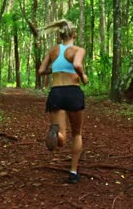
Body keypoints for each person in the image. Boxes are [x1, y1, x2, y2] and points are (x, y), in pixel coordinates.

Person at [38, 19, 88, 184]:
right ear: (74, 35)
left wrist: (56, 69)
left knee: (62, 138)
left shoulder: (53, 50)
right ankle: (73, 172)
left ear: (60, 37)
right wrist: (83, 77)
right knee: (77, 133)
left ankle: (55, 133)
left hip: (56, 92)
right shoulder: (78, 49)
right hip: (73, 92)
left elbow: (41, 70)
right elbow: (77, 64)